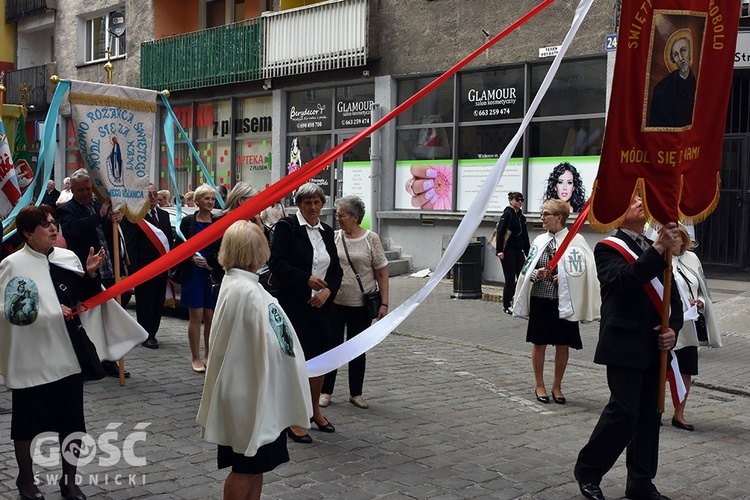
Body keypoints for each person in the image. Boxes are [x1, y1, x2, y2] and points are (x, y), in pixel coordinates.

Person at [574, 196, 681, 500]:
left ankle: (641, 482)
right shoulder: (607, 247)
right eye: (632, 201)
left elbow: (672, 296)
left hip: (653, 345)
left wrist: (674, 328)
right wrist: (660, 248)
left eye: (640, 199)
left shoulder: (652, 245)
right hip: (623, 343)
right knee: (624, 412)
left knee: (650, 415)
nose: (639, 203)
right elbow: (624, 281)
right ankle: (589, 470)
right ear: (618, 216)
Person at [197, 221, 311, 500]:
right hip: (250, 396)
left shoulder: (240, 284)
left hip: (256, 392)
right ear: (257, 250)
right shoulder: (245, 291)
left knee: (258, 466)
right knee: (245, 468)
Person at [0, 206, 105, 500]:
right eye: (45, 225)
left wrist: (91, 274)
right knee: (26, 424)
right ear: (27, 233)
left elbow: (83, 298)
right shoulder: (12, 264)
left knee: (72, 423)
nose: (53, 228)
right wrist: (48, 311)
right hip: (31, 357)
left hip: (66, 355)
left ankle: (69, 481)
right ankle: (26, 480)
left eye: (54, 223)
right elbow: (8, 311)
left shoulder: (66, 259)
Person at [268, 182, 343, 444]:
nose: (313, 207)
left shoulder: (326, 231)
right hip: (294, 306)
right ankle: (292, 418)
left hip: (321, 307)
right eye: (307, 202)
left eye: (317, 202)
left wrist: (327, 292)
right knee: (294, 362)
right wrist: (306, 280)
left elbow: (336, 270)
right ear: (299, 204)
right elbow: (276, 263)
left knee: (319, 360)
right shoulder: (287, 228)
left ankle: (314, 411)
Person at [513, 199, 599, 404]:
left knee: (563, 344)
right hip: (541, 299)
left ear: (559, 217)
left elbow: (587, 270)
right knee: (539, 342)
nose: (541, 218)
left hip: (565, 302)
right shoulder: (539, 241)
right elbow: (526, 270)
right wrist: (536, 273)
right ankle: (539, 385)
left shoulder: (576, 240)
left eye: (546, 214)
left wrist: (567, 277)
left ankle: (557, 386)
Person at [320, 195, 389, 410]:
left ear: (355, 217)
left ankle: (356, 393)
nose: (338, 219)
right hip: (335, 302)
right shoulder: (334, 237)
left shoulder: (371, 239)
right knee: (331, 347)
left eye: (341, 215)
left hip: (361, 304)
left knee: (357, 349)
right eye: (337, 215)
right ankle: (326, 391)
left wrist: (385, 304)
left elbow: (382, 273)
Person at [57, 168, 126, 379]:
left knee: (110, 318)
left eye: (89, 189)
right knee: (91, 319)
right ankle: (92, 359)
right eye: (82, 190)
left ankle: (111, 361)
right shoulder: (66, 209)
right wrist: (99, 216)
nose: (87, 193)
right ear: (73, 190)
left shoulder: (99, 204)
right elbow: (72, 229)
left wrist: (115, 218)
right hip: (86, 273)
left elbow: (108, 230)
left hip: (108, 269)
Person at [671, 224, 722, 431]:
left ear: (684, 240)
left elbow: (702, 289)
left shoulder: (692, 259)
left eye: (676, 237)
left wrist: (699, 302)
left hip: (689, 327)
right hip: (670, 325)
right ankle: (654, 410)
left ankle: (679, 414)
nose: (672, 241)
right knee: (660, 371)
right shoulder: (659, 260)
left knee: (686, 370)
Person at [122, 183, 174, 349]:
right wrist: (134, 271)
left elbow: (168, 241)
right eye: (149, 195)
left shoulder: (164, 215)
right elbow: (130, 246)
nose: (153, 198)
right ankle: (147, 335)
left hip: (162, 268)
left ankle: (154, 331)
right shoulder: (135, 217)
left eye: (154, 194)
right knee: (145, 303)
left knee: (158, 302)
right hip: (144, 269)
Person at [176, 183, 218, 373]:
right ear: (198, 201)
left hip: (211, 275)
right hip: (193, 274)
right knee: (196, 316)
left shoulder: (218, 222)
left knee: (210, 316)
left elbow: (221, 248)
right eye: (206, 199)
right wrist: (191, 258)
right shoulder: (187, 222)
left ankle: (209, 354)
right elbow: (178, 248)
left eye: (212, 198)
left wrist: (213, 263)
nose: (210, 202)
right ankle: (196, 357)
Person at [206, 181, 261, 296]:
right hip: (227, 281)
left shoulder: (253, 220)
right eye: (253, 200)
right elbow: (211, 256)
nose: (257, 204)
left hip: (251, 281)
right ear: (241, 200)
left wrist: (260, 227)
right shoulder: (221, 221)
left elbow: (264, 252)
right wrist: (235, 263)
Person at [648, 32, 696, 128]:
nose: (681, 58)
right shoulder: (662, 88)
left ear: (690, 51)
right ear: (673, 60)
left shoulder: (699, 81)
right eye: (676, 55)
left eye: (683, 51)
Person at [495, 191, 530, 315]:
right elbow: (500, 232)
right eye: (517, 199)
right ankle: (506, 304)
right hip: (508, 250)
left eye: (522, 200)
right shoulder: (508, 214)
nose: (520, 202)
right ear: (511, 200)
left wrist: (528, 252)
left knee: (522, 276)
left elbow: (525, 236)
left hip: (518, 250)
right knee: (510, 278)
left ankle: (517, 301)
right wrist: (499, 250)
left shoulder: (522, 217)